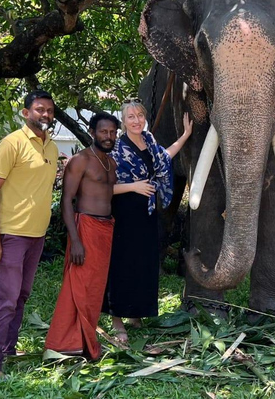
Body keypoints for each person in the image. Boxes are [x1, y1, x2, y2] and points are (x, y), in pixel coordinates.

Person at [0, 90, 58, 382]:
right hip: (11, 235)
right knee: (6, 300)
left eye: (49, 110)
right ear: (26, 113)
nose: (45, 114)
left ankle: (8, 350)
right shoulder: (12, 143)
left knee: (22, 296)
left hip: (36, 236)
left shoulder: (49, 147)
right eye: (39, 109)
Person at [103, 99, 192, 343]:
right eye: (130, 116)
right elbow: (102, 188)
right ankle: (117, 320)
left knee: (143, 263)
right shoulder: (116, 148)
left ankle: (136, 314)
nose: (136, 120)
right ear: (123, 121)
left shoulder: (149, 140)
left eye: (139, 115)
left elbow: (164, 158)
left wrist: (185, 136)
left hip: (147, 212)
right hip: (124, 212)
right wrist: (134, 186)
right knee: (122, 265)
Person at [45, 112, 120, 360]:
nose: (109, 137)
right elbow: (67, 200)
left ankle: (86, 341)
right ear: (92, 132)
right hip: (85, 228)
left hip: (105, 229)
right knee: (77, 286)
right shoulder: (80, 160)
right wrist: (75, 240)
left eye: (112, 132)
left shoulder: (111, 163)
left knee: (95, 288)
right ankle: (62, 344)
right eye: (103, 131)